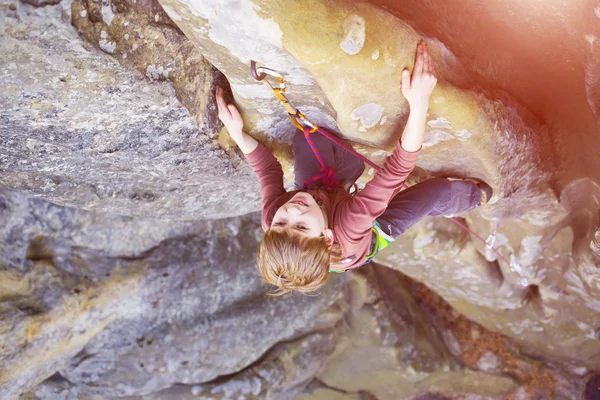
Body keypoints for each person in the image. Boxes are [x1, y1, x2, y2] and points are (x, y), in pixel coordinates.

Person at [216, 41, 492, 295]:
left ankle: (347, 177)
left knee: (309, 137)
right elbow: (396, 171)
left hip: (324, 200)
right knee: (433, 192)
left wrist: (239, 134)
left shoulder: (274, 218)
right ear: (325, 238)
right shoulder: (350, 227)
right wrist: (419, 103)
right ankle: (472, 197)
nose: (291, 211)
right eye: (300, 225)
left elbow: (267, 172)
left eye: (282, 222)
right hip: (371, 233)